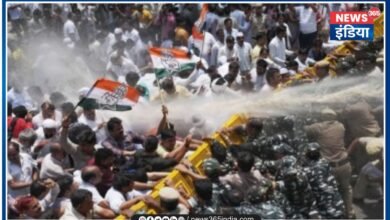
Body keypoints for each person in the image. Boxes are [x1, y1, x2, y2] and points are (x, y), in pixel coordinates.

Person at [305, 108, 355, 218]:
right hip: (344, 164)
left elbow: (306, 130)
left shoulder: (317, 127)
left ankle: (335, 214)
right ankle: (349, 213)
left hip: (327, 167)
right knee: (346, 189)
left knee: (329, 191)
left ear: (322, 117)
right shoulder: (340, 126)